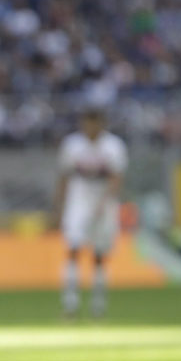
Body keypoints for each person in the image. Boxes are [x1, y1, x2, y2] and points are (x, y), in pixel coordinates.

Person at [54, 107, 128, 318]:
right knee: (73, 247)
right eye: (87, 123)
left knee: (99, 254)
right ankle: (70, 303)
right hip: (78, 200)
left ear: (101, 124)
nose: (90, 128)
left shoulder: (113, 146)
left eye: (94, 123)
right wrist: (58, 205)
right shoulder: (72, 145)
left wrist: (105, 202)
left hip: (103, 202)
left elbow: (116, 178)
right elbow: (64, 176)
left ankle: (98, 304)